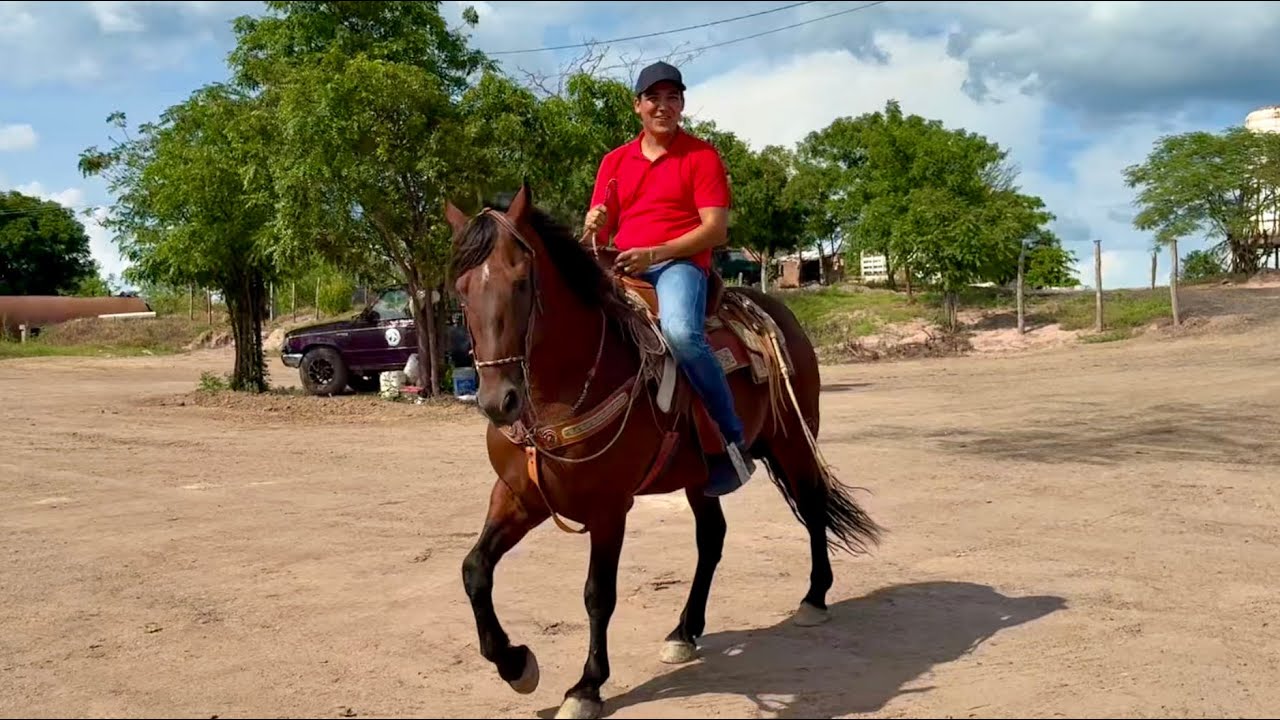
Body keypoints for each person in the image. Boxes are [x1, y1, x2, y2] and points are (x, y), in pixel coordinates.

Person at [582, 60, 755, 498]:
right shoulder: (614, 162)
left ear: (681, 105)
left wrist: (654, 254)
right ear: (637, 106)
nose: (663, 106)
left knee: (680, 332)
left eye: (672, 98)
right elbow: (599, 234)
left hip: (679, 265)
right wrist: (593, 223)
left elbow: (715, 230)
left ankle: (732, 440)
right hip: (624, 264)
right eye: (653, 98)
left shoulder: (701, 155)